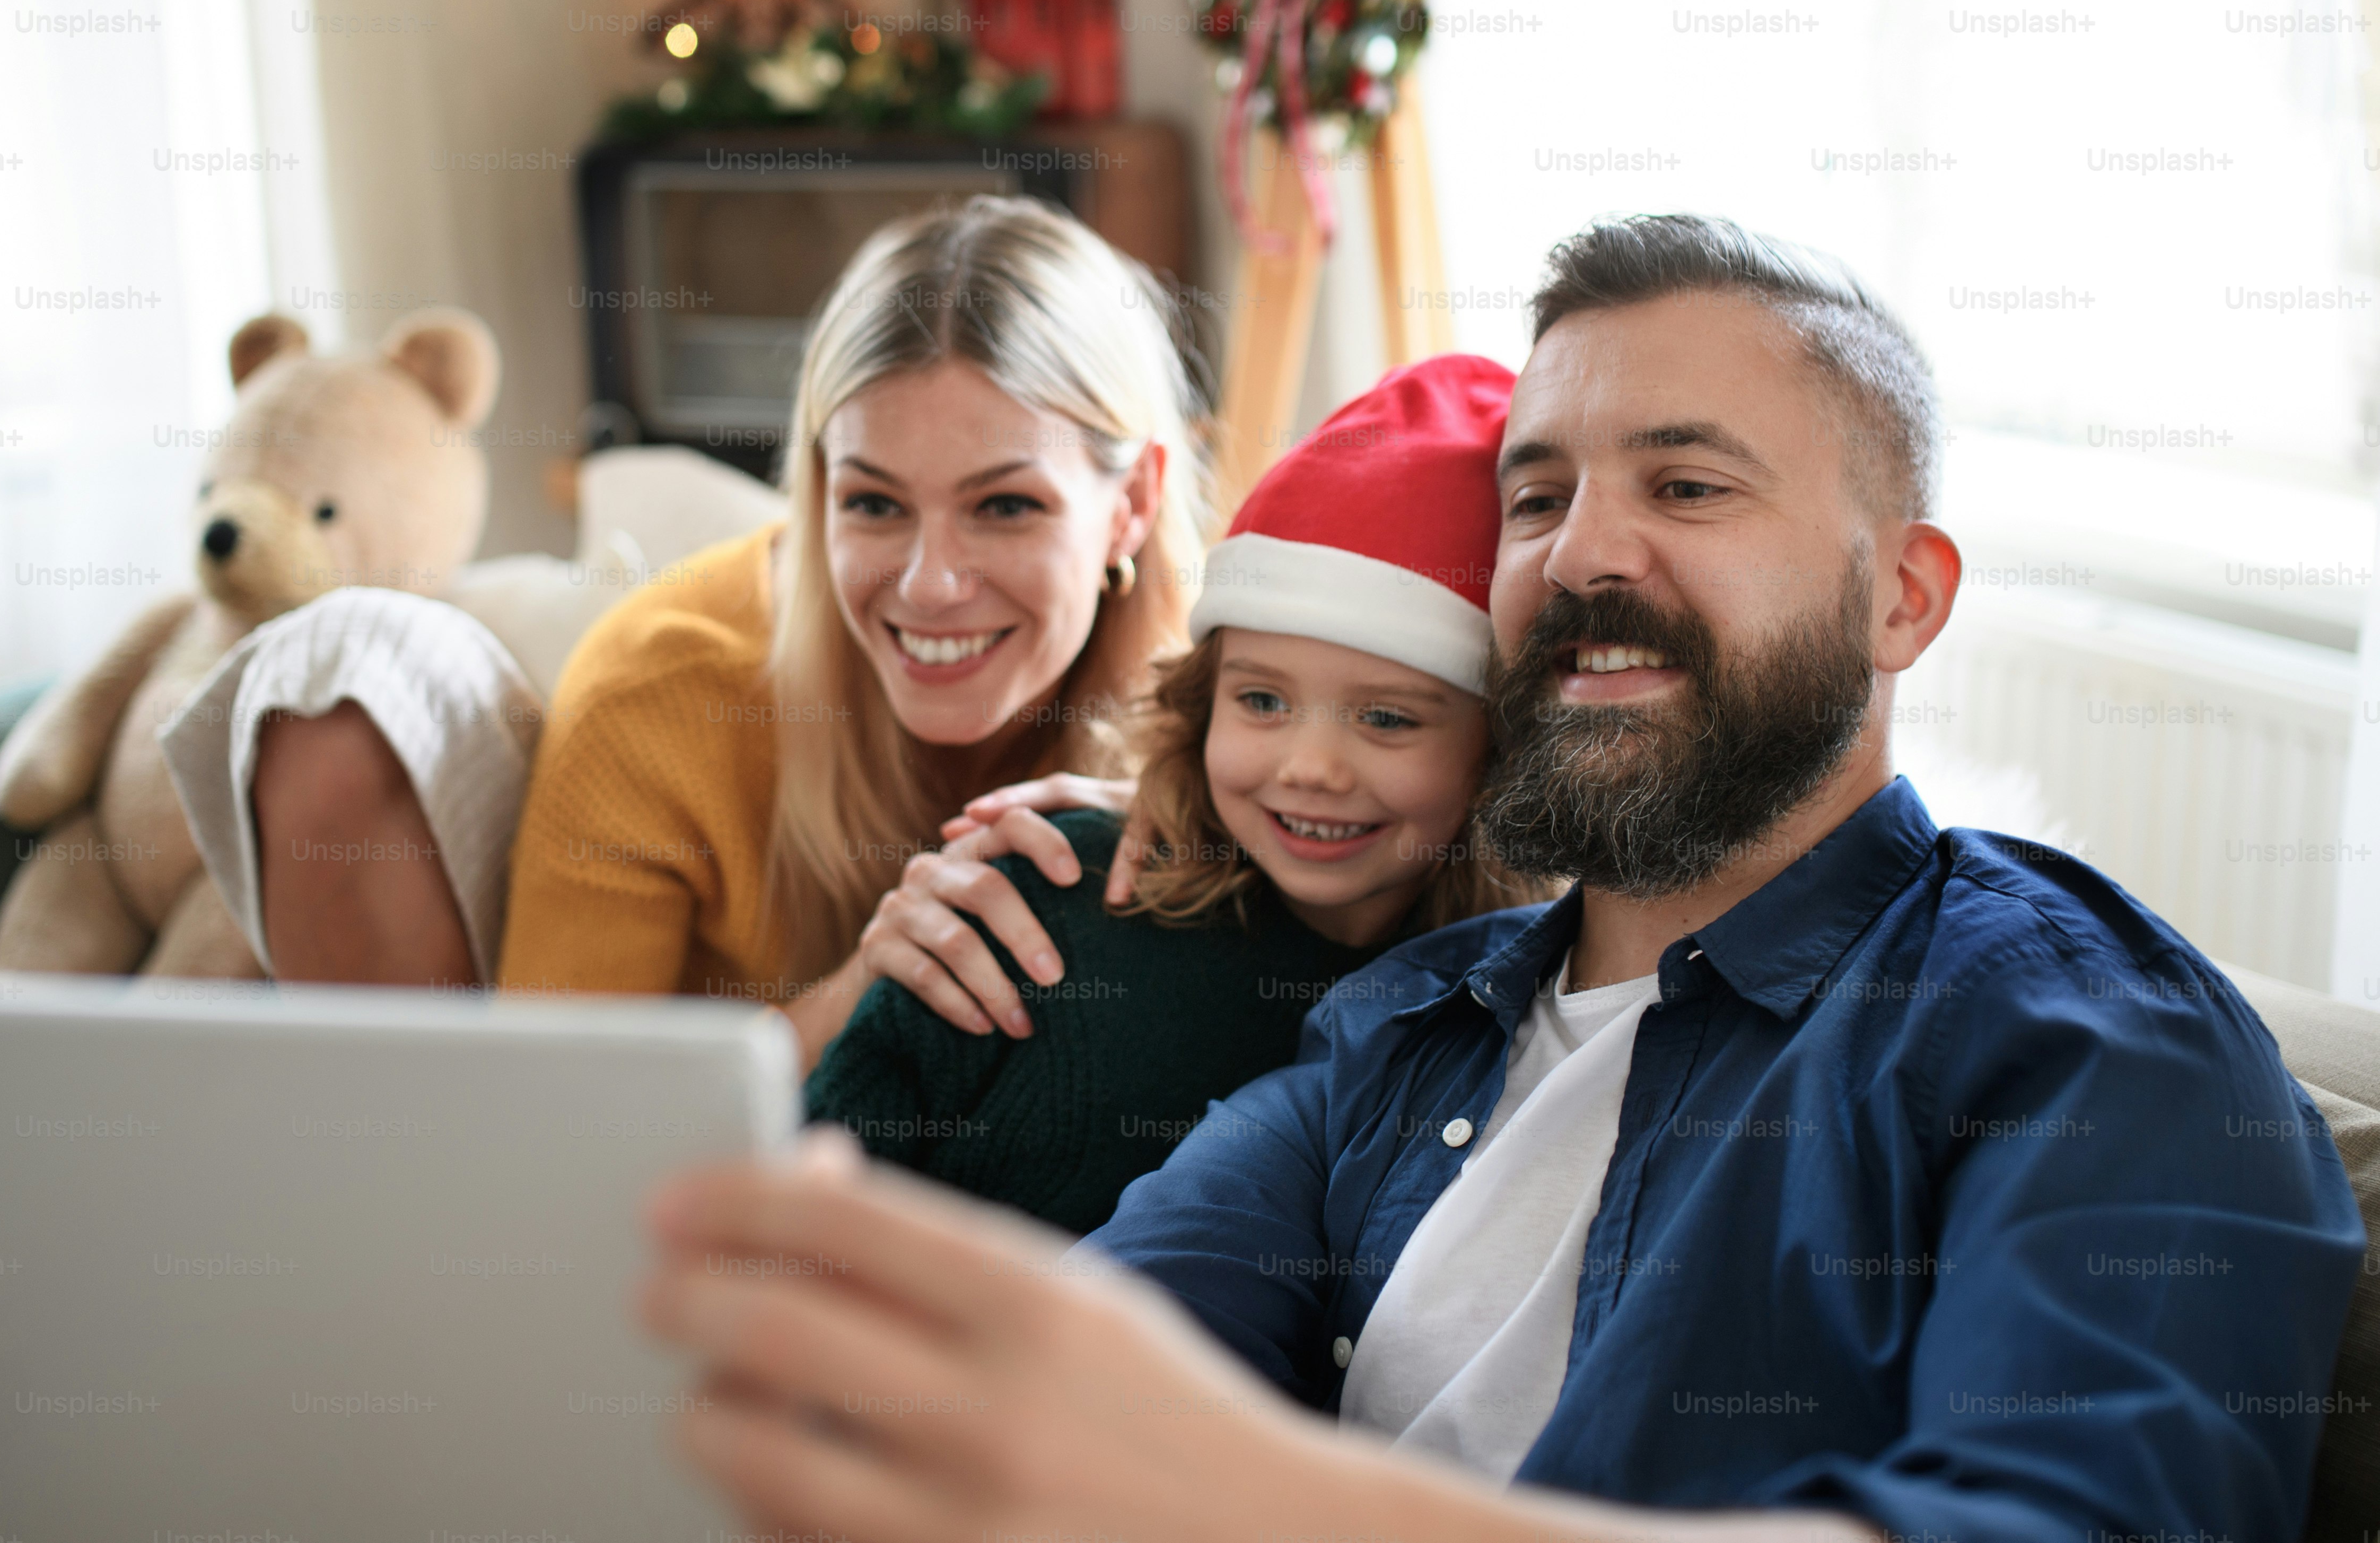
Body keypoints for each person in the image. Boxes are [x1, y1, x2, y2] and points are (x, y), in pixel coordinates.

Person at [637, 214, 2365, 1541]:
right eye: (1536, 497)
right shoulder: (1396, 1038)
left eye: (1685, 482)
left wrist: (1263, 1497)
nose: (1586, 549)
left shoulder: (2073, 1031)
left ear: (1902, 595)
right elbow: (1088, 1365)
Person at [162, 196, 1206, 1060]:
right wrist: (853, 1002)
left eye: (1005, 506)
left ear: (1132, 503)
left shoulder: (1238, 702)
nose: (930, 585)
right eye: (873, 503)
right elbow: (561, 1145)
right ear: (813, 491)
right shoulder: (656, 692)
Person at [803, 355, 1551, 1232]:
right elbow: (798, 1190)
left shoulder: (1514, 1006)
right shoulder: (1053, 891)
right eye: (1261, 700)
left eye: (1387, 718)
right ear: (1200, 706)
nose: (1311, 766)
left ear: (1500, 756)